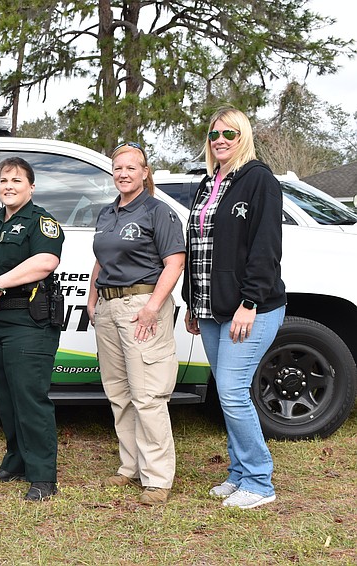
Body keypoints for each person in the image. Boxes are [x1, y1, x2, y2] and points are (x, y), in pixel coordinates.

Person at [183, 107, 286, 510]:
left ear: (243, 136)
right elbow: (197, 250)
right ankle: (239, 473)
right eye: (214, 134)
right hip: (210, 310)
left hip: (250, 308)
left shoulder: (259, 180)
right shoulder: (208, 184)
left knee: (232, 391)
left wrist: (250, 302)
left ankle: (260, 480)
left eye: (229, 132)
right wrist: (193, 303)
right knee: (228, 393)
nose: (220, 140)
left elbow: (266, 249)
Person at [86, 142, 186, 505]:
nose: (123, 173)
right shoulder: (107, 213)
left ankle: (157, 478)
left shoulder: (158, 211)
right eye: (118, 168)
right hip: (110, 308)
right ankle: (130, 466)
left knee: (148, 395)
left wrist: (153, 307)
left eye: (131, 168)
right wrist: (93, 296)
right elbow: (102, 257)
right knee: (119, 394)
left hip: (143, 305)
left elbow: (174, 262)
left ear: (145, 173)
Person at [0, 156, 64, 502]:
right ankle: (16, 461)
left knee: (29, 399)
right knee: (6, 399)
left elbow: (45, 262)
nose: (8, 186)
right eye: (4, 180)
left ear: (31, 187)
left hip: (28, 322)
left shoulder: (41, 222)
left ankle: (42, 476)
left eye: (17, 181)